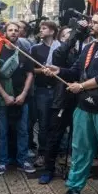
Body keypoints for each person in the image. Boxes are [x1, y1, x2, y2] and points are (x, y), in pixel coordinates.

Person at [42, 11, 98, 194]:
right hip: (84, 107)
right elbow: (76, 71)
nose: (90, 25)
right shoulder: (88, 46)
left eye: (94, 23)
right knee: (80, 150)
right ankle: (74, 190)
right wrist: (58, 71)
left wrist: (82, 86)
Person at [38, 24, 82, 184]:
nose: (70, 38)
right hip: (62, 100)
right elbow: (60, 52)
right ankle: (48, 169)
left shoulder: (82, 52)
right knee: (54, 136)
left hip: (80, 100)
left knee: (78, 136)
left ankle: (75, 169)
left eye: (71, 36)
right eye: (66, 36)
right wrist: (75, 35)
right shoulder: (59, 54)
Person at [0, 22, 36, 175]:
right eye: (10, 30)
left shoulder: (24, 52)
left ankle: (22, 160)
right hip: (3, 99)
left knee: (23, 130)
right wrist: (5, 95)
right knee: (2, 131)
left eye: (16, 30)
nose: (14, 32)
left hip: (21, 98)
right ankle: (3, 161)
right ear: (5, 32)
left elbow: (30, 74)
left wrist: (23, 94)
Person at [30, 21, 62, 166]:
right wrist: (42, 71)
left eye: (44, 28)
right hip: (42, 90)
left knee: (56, 123)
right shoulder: (35, 49)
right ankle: (42, 153)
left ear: (52, 31)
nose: (41, 31)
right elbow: (31, 70)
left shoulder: (60, 47)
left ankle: (56, 152)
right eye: (40, 28)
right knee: (43, 124)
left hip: (57, 90)